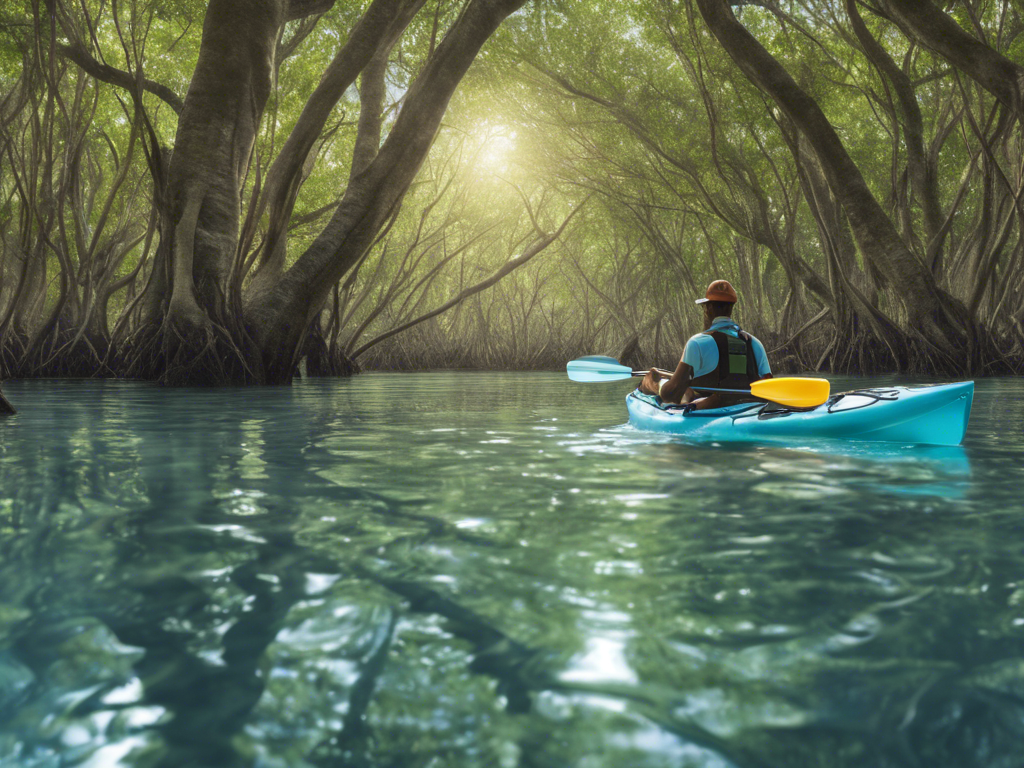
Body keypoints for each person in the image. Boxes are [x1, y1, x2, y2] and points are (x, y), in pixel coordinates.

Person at [640, 280, 771, 409]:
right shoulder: (755, 343)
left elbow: (672, 394)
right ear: (731, 308)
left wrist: (656, 384)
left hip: (713, 413)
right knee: (689, 393)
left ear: (708, 308)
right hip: (750, 411)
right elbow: (769, 389)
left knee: (662, 386)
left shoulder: (697, 343)